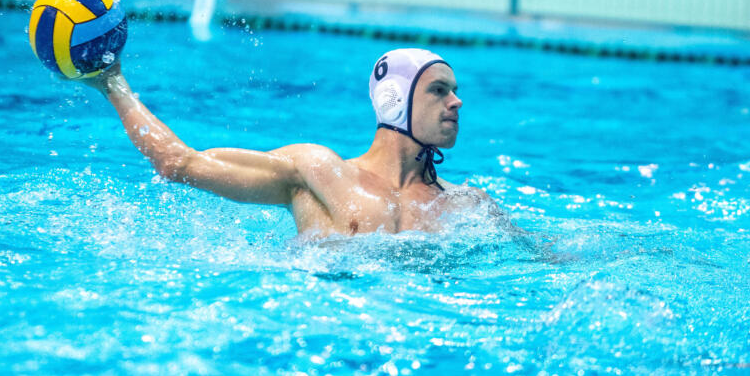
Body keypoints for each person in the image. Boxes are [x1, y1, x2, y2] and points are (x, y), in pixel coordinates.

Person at [82, 47, 507, 238]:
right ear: (394, 99)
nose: (457, 102)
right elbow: (179, 164)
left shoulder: (470, 204)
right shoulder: (317, 171)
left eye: (455, 91)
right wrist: (112, 82)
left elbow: (538, 262)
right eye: (439, 90)